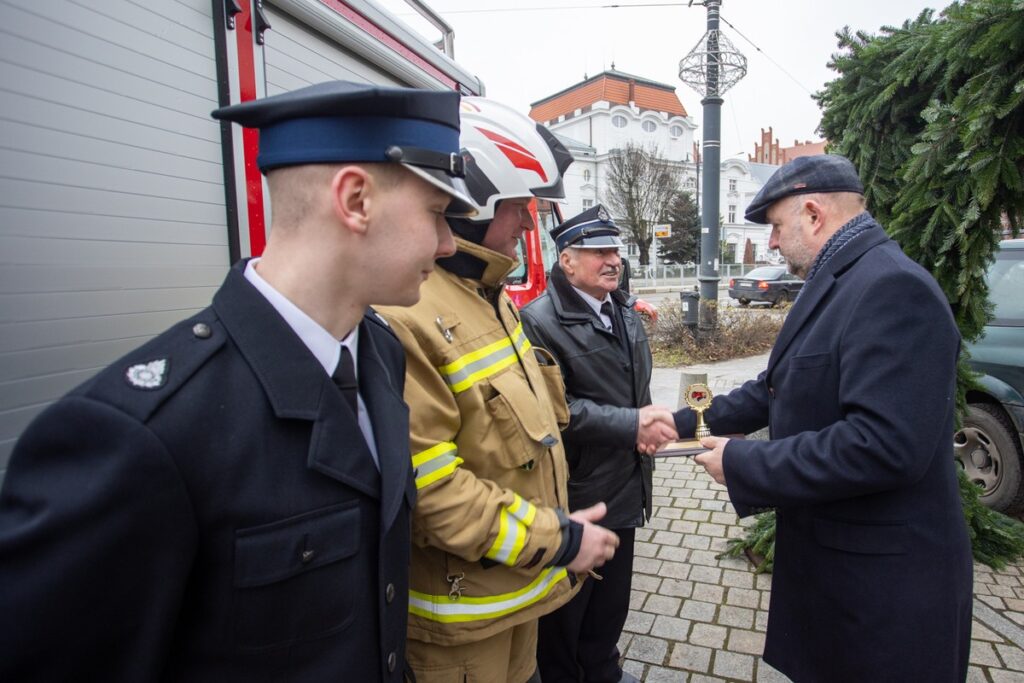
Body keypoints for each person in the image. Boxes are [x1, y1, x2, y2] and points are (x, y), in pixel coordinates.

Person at [0, 80, 477, 682]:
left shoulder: (378, 353)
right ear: (356, 199)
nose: (448, 242)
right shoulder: (138, 433)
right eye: (436, 212)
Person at [679, 154, 973, 682]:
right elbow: (779, 389)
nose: (769, 244)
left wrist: (745, 461)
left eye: (773, 228)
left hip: (885, 598)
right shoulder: (845, 278)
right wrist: (685, 420)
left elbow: (882, 445)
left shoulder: (891, 288)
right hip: (842, 579)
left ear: (813, 213)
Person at [376, 97, 620, 683]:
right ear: (471, 206)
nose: (529, 224)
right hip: (460, 627)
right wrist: (560, 540)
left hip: (513, 599)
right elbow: (430, 494)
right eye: (519, 208)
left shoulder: (489, 298)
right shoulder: (407, 314)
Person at [519, 205, 677, 683]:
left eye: (616, 251)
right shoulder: (538, 321)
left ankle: (603, 668)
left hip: (627, 480)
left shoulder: (623, 308)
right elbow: (554, 411)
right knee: (568, 610)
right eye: (598, 252)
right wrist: (632, 425)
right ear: (567, 261)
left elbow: (636, 389)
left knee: (612, 602)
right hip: (579, 489)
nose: (613, 261)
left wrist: (645, 430)